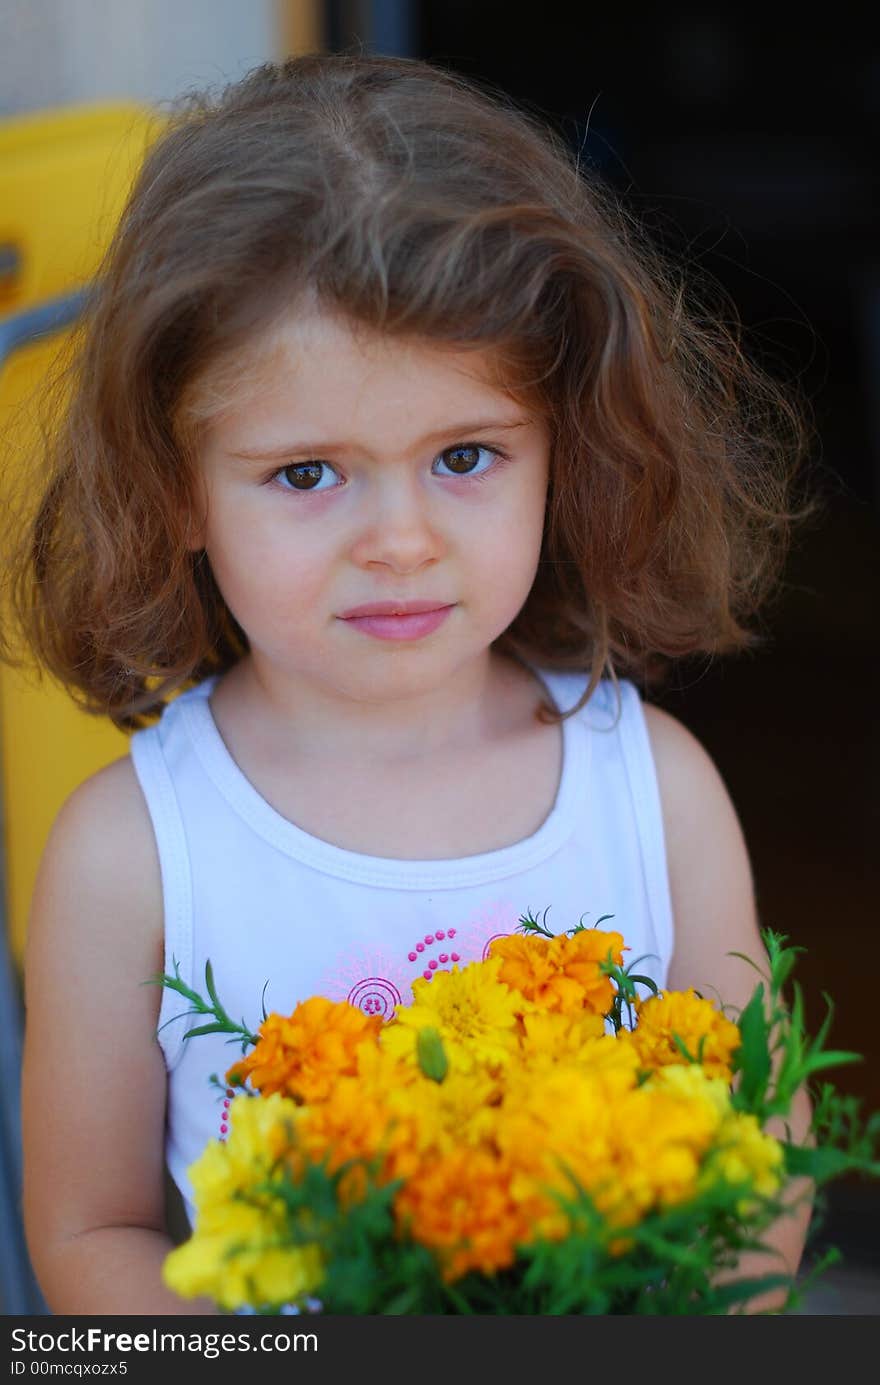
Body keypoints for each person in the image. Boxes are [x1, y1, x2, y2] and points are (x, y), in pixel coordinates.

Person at [3, 51, 821, 1316]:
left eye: (465, 454)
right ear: (175, 489)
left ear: (568, 447)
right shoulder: (128, 855)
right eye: (307, 474)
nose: (399, 537)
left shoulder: (651, 786)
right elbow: (89, 1234)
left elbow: (759, 1156)